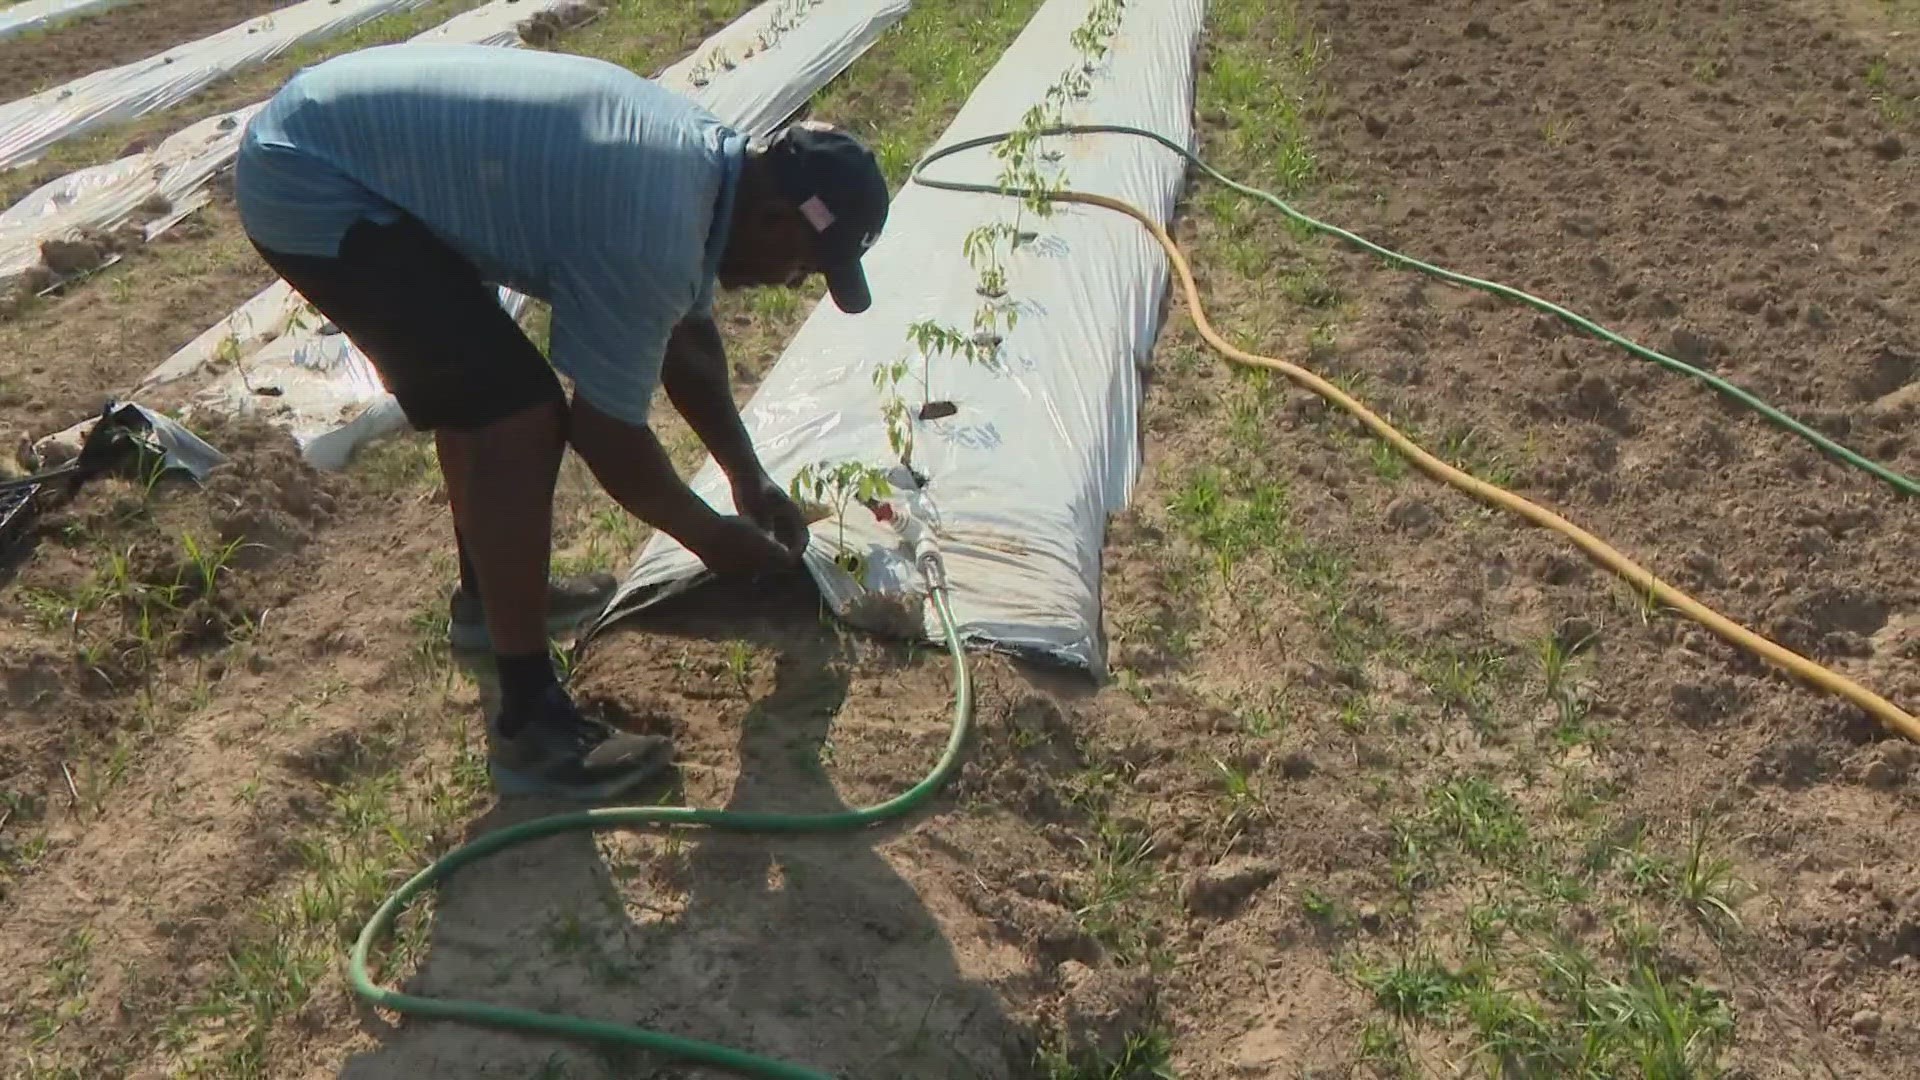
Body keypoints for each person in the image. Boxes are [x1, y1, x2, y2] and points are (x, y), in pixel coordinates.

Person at [232, 42, 891, 800]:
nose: (791, 283)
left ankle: (489, 601)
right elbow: (608, 436)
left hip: (351, 142)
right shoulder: (655, 224)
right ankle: (532, 727)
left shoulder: (714, 169)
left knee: (482, 384)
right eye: (805, 267)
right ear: (777, 220)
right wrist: (710, 539)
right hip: (316, 179)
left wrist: (747, 476)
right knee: (515, 413)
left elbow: (690, 340)